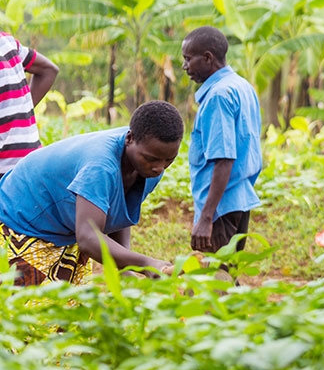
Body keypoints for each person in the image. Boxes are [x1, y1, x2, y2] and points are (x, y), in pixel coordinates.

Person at [0, 100, 182, 286]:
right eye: (151, 159)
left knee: (67, 305)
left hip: (64, 225)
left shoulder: (145, 161)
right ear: (129, 139)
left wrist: (125, 268)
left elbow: (118, 207)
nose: (159, 168)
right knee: (26, 308)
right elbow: (88, 237)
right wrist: (146, 263)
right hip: (21, 218)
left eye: (169, 159)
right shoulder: (100, 167)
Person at [181, 26, 263, 255]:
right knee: (227, 277)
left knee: (214, 281)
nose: (184, 66)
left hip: (220, 208)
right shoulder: (242, 86)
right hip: (239, 200)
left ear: (207, 58)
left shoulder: (219, 95)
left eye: (188, 59)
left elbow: (225, 159)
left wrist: (207, 217)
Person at [0, 31, 59, 176]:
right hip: (33, 167)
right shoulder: (7, 42)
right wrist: (21, 110)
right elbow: (49, 70)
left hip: (5, 178)